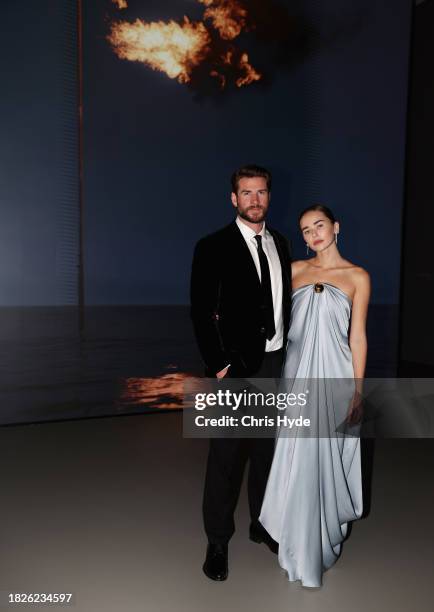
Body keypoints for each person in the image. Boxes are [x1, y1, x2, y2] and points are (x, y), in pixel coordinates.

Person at [260, 204, 370, 587]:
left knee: (325, 456)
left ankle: (319, 545)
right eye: (305, 230)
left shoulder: (358, 276)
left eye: (319, 226)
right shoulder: (294, 271)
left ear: (336, 227)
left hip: (336, 376)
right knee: (297, 457)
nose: (313, 235)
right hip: (297, 376)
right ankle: (298, 545)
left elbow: (357, 336)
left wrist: (358, 390)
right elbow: (268, 318)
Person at [190, 165, 292, 581]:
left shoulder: (281, 243)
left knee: (268, 454)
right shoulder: (212, 245)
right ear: (234, 198)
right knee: (226, 458)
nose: (255, 200)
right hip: (235, 369)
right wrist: (218, 364)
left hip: (275, 362)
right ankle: (217, 540)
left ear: (269, 196)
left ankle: (261, 525)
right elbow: (201, 312)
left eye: (261, 192)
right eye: (246, 193)